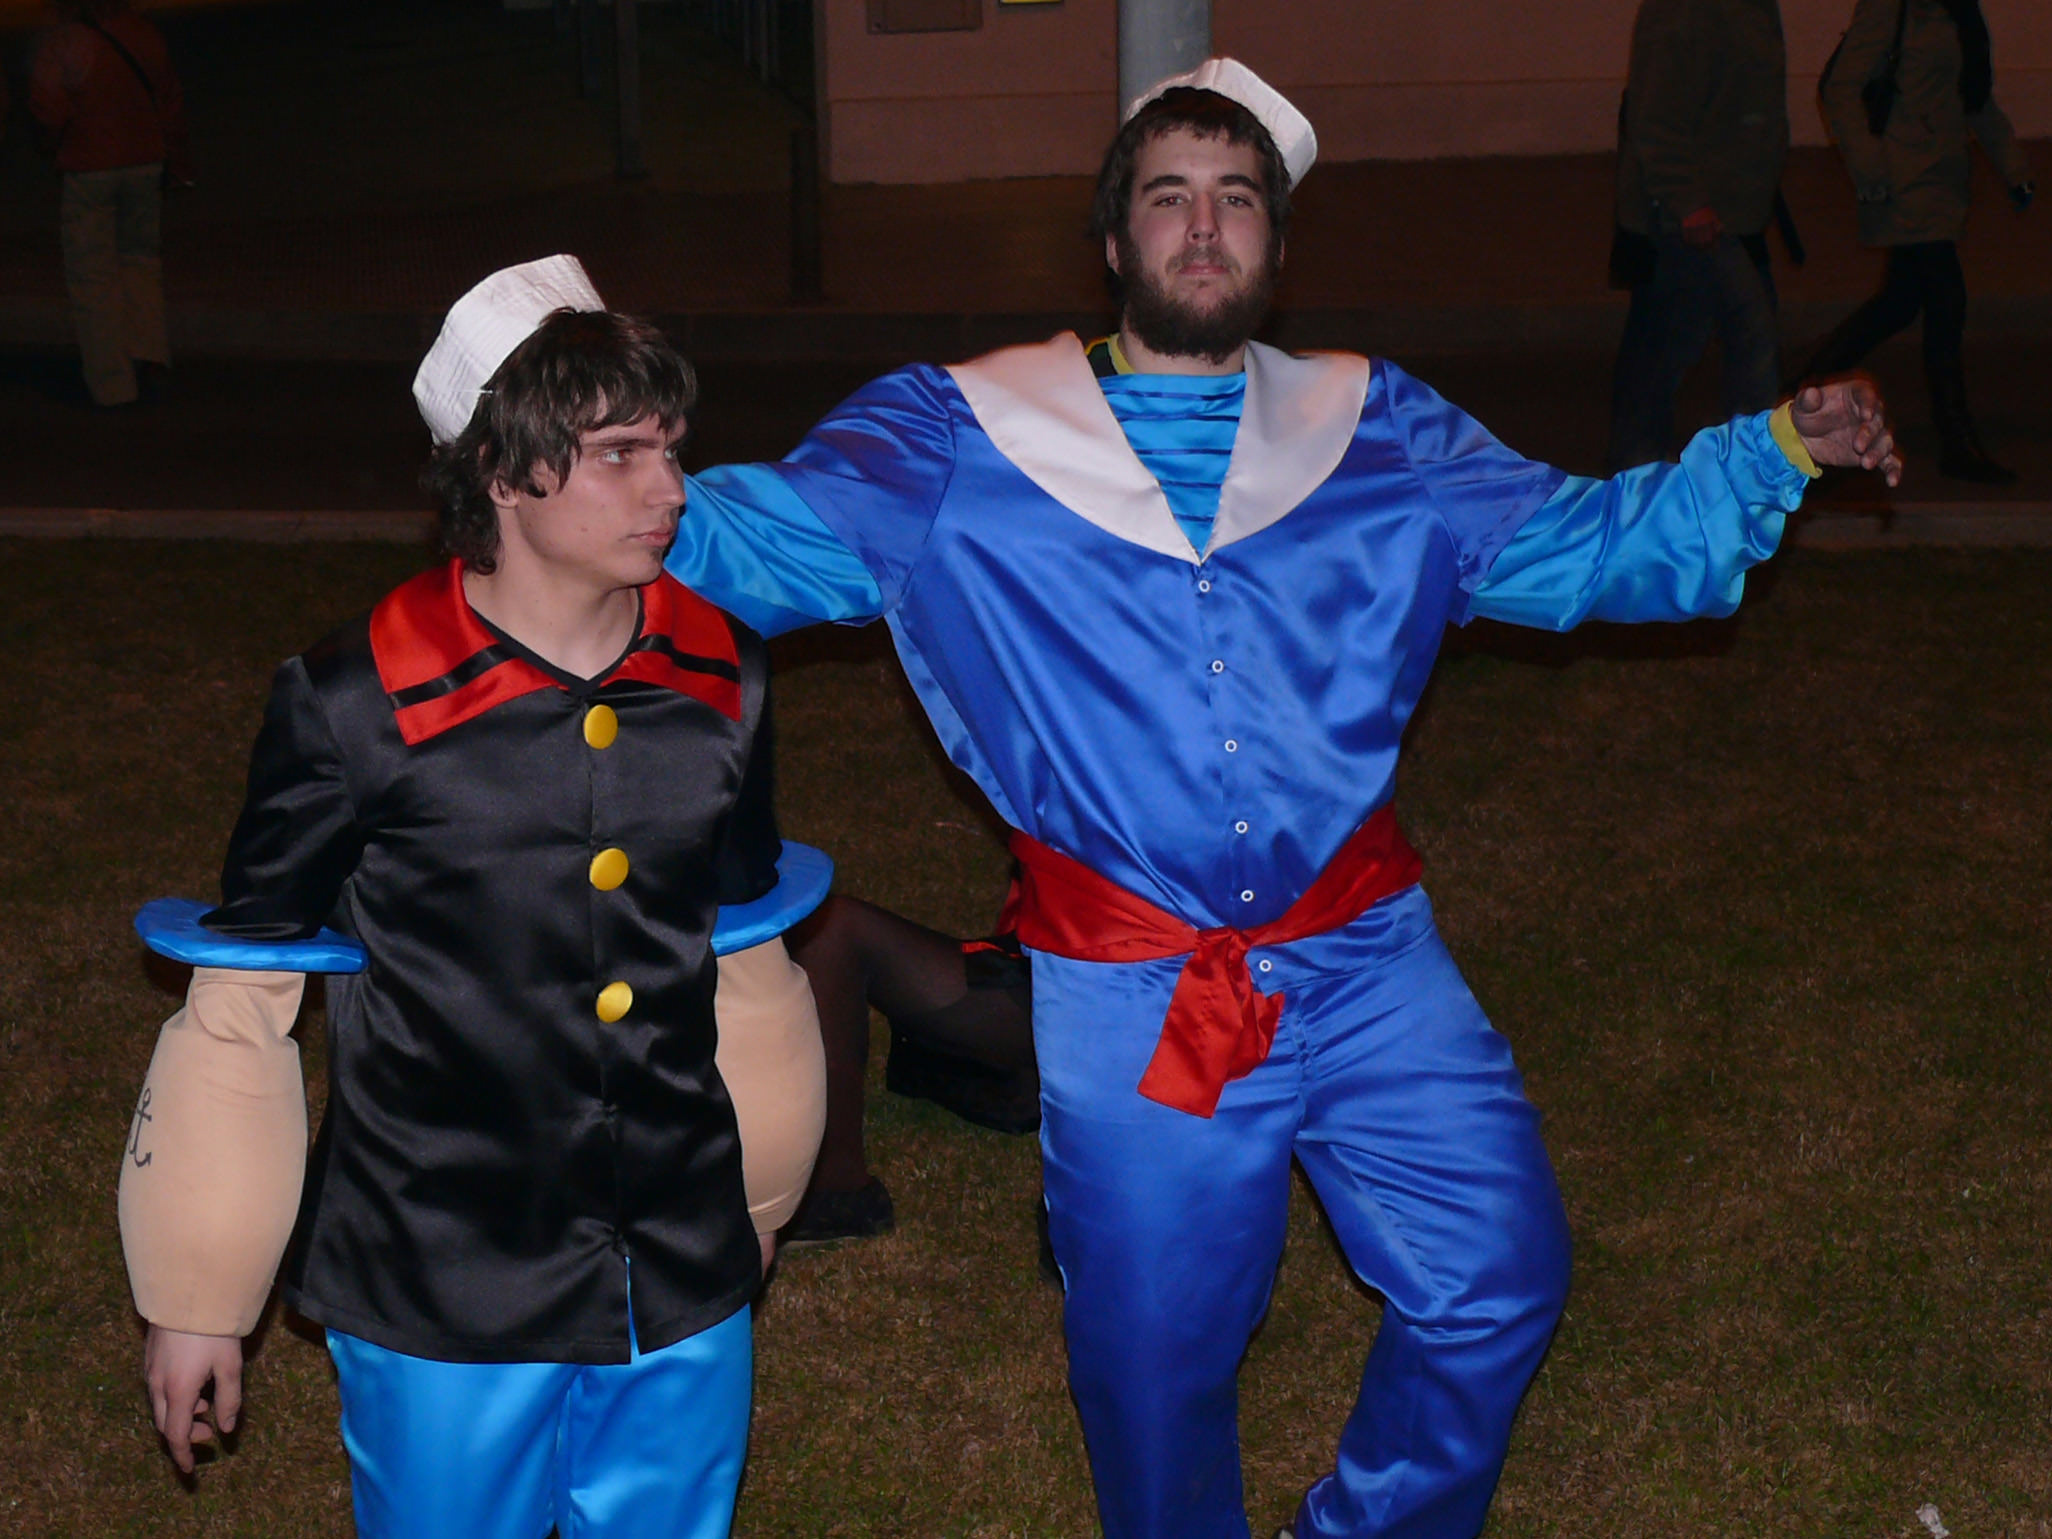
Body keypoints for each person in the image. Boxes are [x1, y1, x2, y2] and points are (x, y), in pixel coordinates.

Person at [664, 58, 1900, 1539]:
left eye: (1237, 198)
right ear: (1112, 241)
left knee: (1498, 1273)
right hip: (1136, 990)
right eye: (1168, 197)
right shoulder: (955, 439)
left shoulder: (1382, 433)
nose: (1204, 226)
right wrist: (570, 465)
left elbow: (1588, 544)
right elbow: (720, 539)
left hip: (1371, 956)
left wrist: (1777, 448)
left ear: (1278, 242)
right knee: (1155, 1367)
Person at [118, 257, 807, 1539]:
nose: (670, 489)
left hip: (675, 1263)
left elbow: (744, 950)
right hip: (440, 1276)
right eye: (619, 455)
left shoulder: (724, 679)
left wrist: (755, 1201)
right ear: (500, 470)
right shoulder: (354, 701)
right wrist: (199, 1295)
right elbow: (247, 988)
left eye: (671, 448)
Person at [1807, 0, 2033, 483]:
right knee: (1947, 300)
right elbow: (1840, 87)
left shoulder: (1959, 11)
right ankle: (1956, 439)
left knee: (1898, 304)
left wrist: (2013, 168)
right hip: (1904, 182)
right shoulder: (1891, 9)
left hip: (1943, 180)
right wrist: (1870, 166)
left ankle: (1800, 387)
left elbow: (1974, 97)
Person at [781, 895, 1036, 1244]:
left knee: (832, 928)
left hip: (1085, 988)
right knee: (825, 922)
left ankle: (836, 1188)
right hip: (1041, 954)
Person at [1607, 0, 1791, 471]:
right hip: (1693, 219)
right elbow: (1654, 115)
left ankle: (1723, 472)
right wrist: (1686, 200)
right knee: (1736, 341)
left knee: (1676, 345)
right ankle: (1649, 471)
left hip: (1733, 212)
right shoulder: (1682, 11)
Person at [28, 0, 192, 407]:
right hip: (145, 161)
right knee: (141, 259)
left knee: (92, 274)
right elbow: (170, 100)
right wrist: (176, 160)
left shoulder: (65, 41)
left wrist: (51, 146)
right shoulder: (144, 33)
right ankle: (148, 353)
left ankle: (113, 384)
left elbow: (48, 108)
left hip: (89, 166)